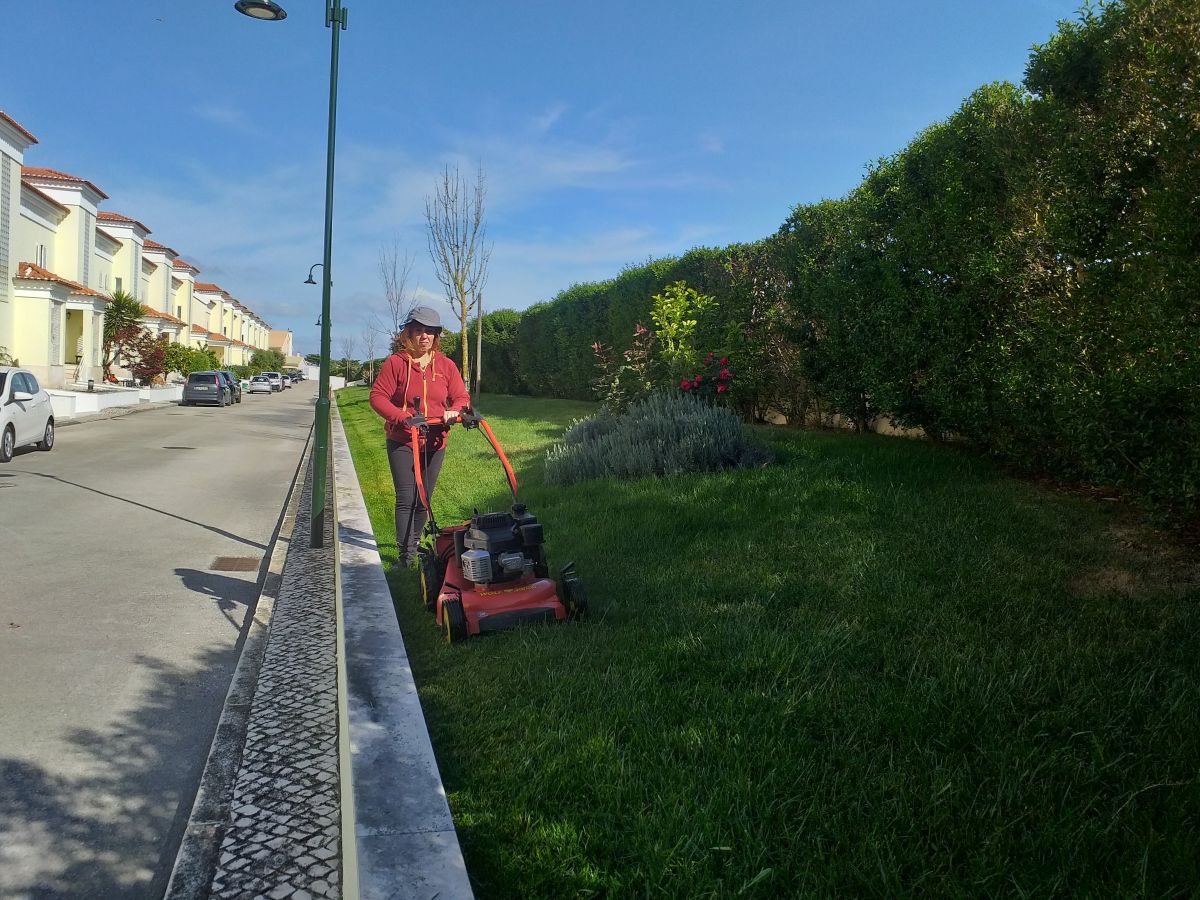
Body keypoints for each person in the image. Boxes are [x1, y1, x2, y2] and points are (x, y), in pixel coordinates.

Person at [369, 307, 470, 566]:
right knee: (407, 498)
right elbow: (378, 397)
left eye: (430, 332)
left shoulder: (445, 366)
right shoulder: (396, 363)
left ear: (436, 336)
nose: (424, 336)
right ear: (409, 334)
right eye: (418, 331)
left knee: (424, 499)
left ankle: (412, 542)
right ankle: (406, 556)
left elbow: (460, 396)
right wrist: (402, 417)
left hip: (435, 440)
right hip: (403, 439)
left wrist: (455, 411)